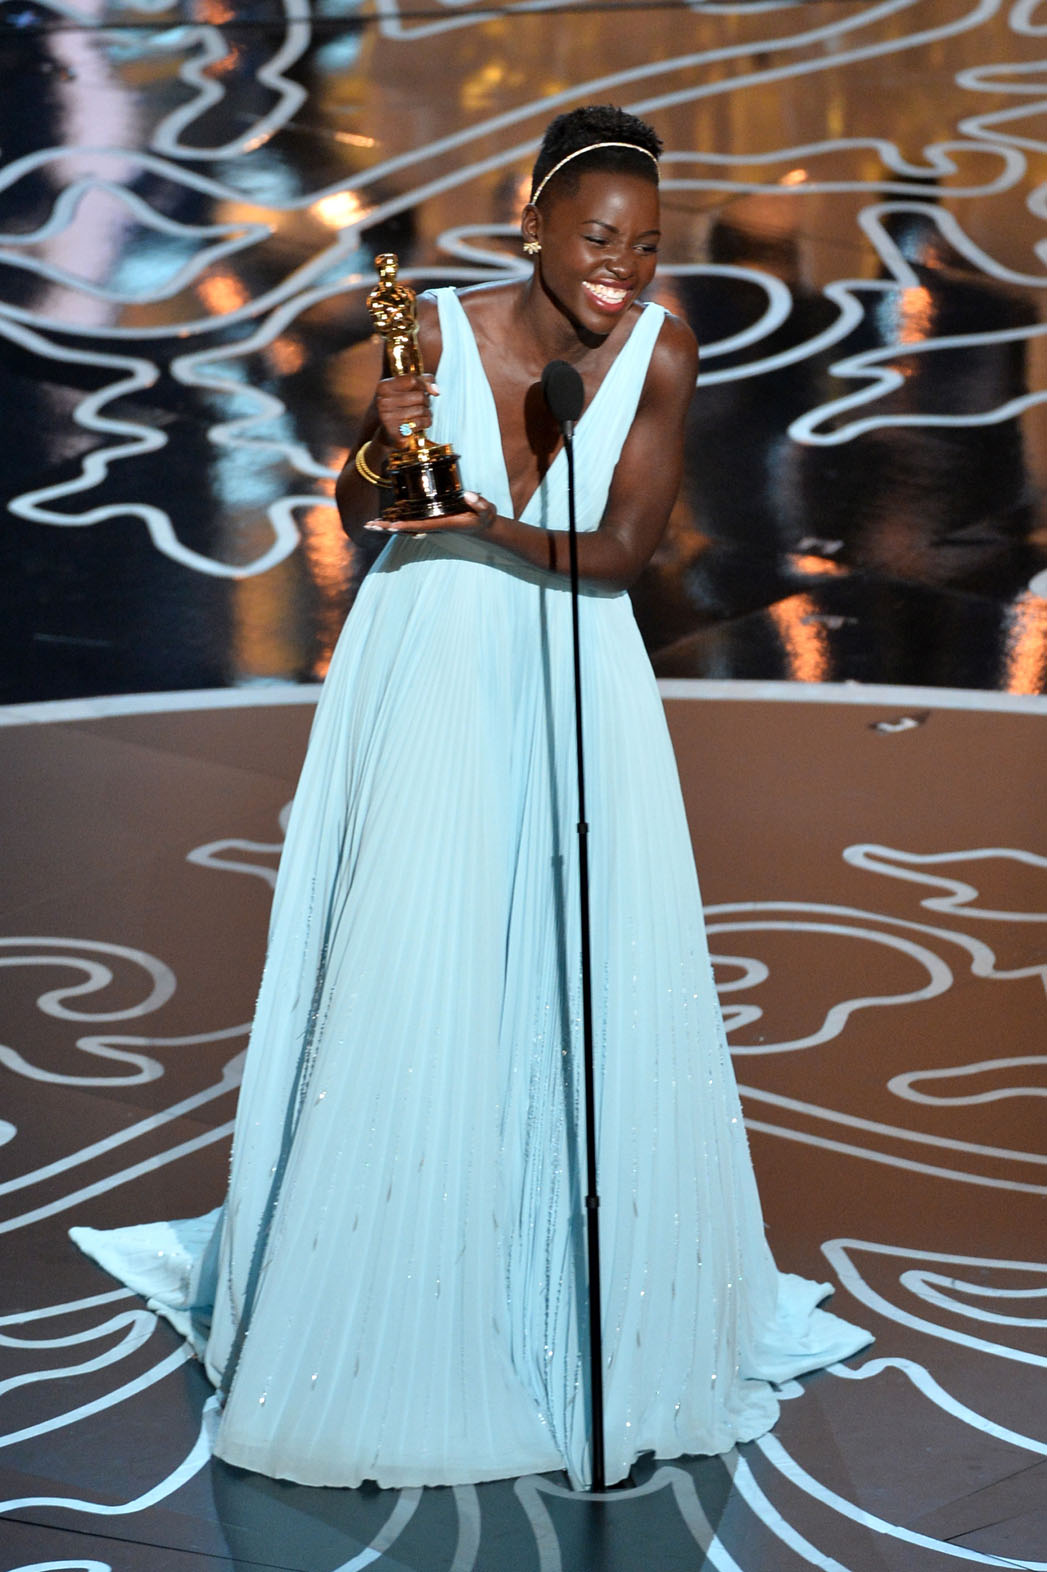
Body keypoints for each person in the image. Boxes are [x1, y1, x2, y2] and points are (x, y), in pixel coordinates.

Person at [71, 105, 870, 1492]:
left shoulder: (660, 350)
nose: (621, 265)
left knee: (578, 955)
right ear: (535, 228)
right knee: (423, 945)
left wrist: (484, 520)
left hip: (576, 669)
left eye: (645, 242)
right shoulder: (430, 332)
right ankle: (397, 1275)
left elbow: (623, 552)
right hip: (429, 654)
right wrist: (389, 454)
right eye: (597, 237)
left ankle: (566, 1289)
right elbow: (359, 507)